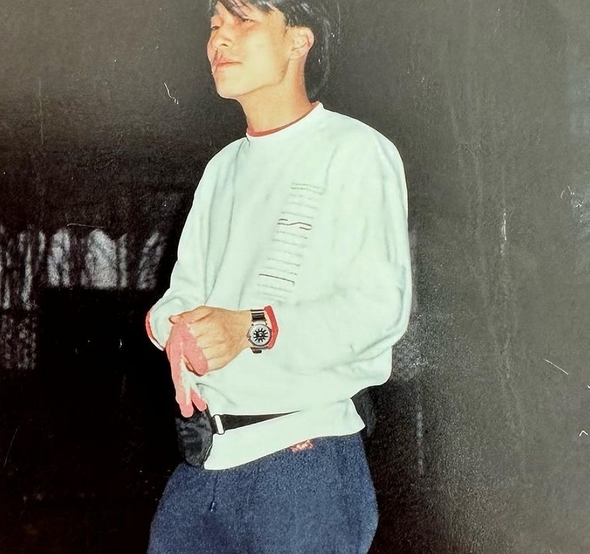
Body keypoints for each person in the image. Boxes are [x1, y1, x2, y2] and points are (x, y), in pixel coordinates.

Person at [144, 0, 412, 551]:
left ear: (298, 40)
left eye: (242, 19)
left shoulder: (355, 151)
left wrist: (251, 327)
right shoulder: (221, 169)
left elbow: (378, 310)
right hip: (204, 466)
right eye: (214, 24)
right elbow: (183, 296)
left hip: (302, 465)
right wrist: (172, 330)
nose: (219, 38)